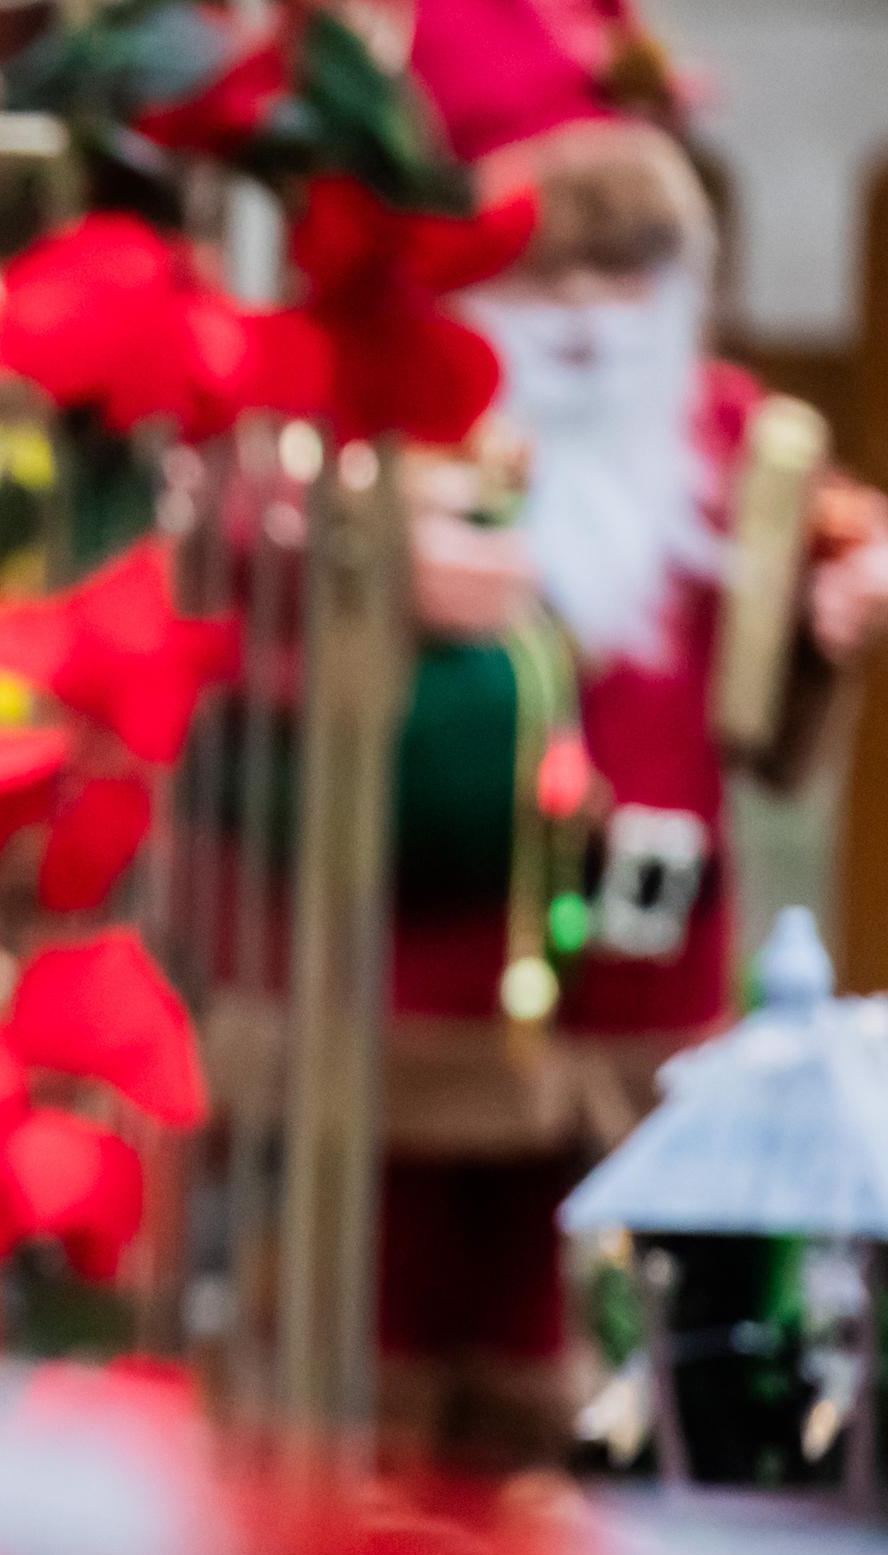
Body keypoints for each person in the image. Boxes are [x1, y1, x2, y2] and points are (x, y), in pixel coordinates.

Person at [379, 0, 888, 1460]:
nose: (592, 312)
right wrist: (366, 566)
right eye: (546, 272)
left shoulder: (727, 433)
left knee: (597, 1251)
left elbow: (817, 548)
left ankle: (544, 1500)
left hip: (643, 940)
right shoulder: (402, 429)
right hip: (435, 933)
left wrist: (833, 602)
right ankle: (377, 1507)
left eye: (628, 265)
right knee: (404, 1251)